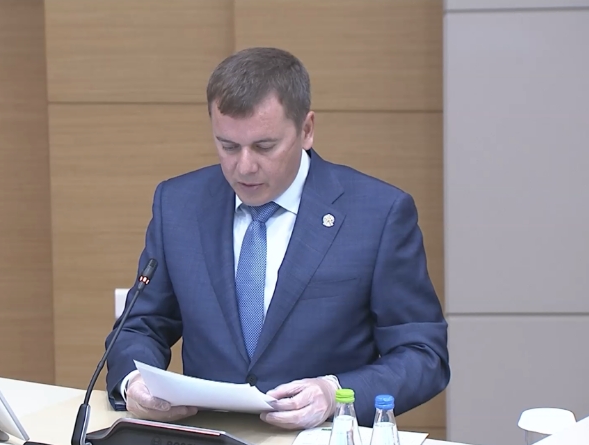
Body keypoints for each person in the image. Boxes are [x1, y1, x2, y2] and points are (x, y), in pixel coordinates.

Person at [103, 47, 449, 430]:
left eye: (264, 147)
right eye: (228, 146)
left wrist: (335, 393)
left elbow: (423, 354)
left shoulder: (378, 214)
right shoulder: (178, 204)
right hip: (209, 435)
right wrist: (134, 382)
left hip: (320, 435)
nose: (244, 166)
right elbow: (140, 324)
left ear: (306, 130)